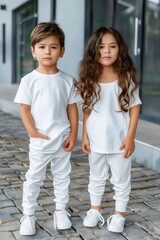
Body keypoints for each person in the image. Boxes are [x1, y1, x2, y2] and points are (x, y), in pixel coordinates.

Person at [14, 22, 80, 235]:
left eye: (53, 47)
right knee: (34, 176)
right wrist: (33, 132)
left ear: (62, 51)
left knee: (62, 175)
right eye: (42, 47)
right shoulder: (29, 81)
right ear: (33, 51)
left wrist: (74, 134)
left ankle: (60, 211)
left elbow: (72, 109)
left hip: (62, 137)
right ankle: (28, 214)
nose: (47, 51)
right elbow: (25, 110)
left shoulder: (67, 80)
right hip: (40, 139)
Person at [75, 27, 141, 233]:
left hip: (119, 141)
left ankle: (119, 214)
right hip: (95, 141)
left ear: (119, 49)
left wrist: (130, 138)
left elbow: (135, 107)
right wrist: (84, 136)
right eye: (101, 47)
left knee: (121, 179)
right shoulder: (89, 77)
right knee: (96, 177)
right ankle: (95, 210)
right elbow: (86, 110)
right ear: (94, 51)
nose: (106, 51)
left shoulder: (126, 77)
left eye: (112, 46)